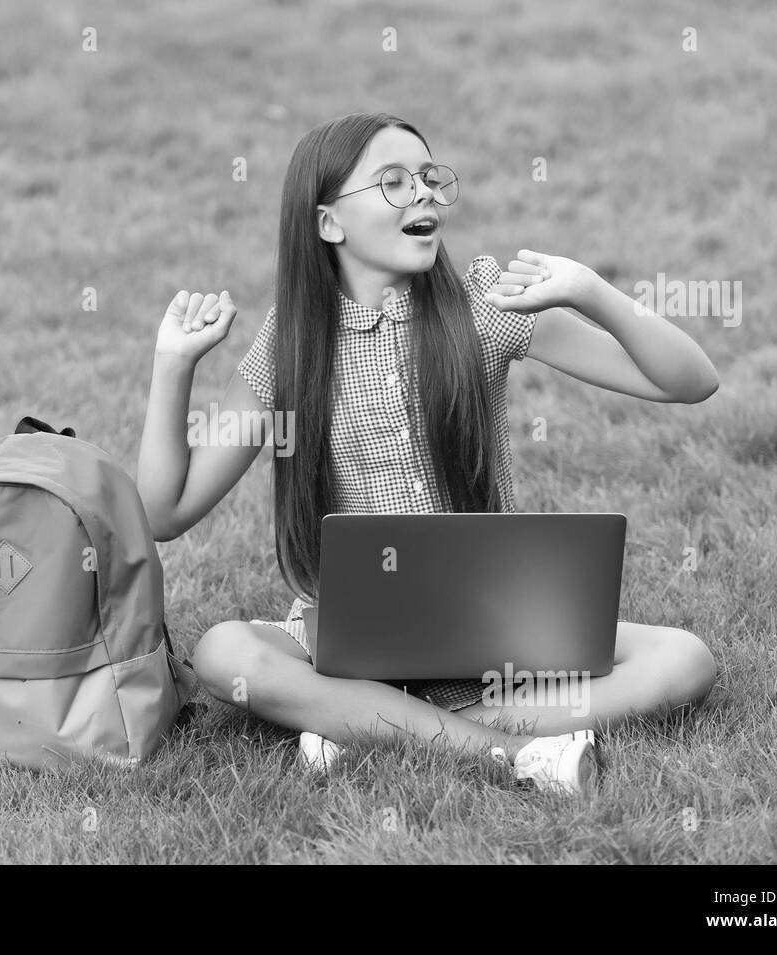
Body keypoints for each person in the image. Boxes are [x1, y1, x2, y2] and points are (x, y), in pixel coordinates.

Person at [136, 112, 719, 796]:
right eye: (392, 182)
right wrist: (172, 366)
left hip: (494, 635)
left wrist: (592, 290)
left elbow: (688, 379)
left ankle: (367, 728)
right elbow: (164, 510)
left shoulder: (484, 308)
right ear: (329, 224)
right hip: (347, 646)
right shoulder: (289, 346)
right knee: (224, 652)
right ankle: (509, 749)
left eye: (429, 178)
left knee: (684, 659)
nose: (422, 195)